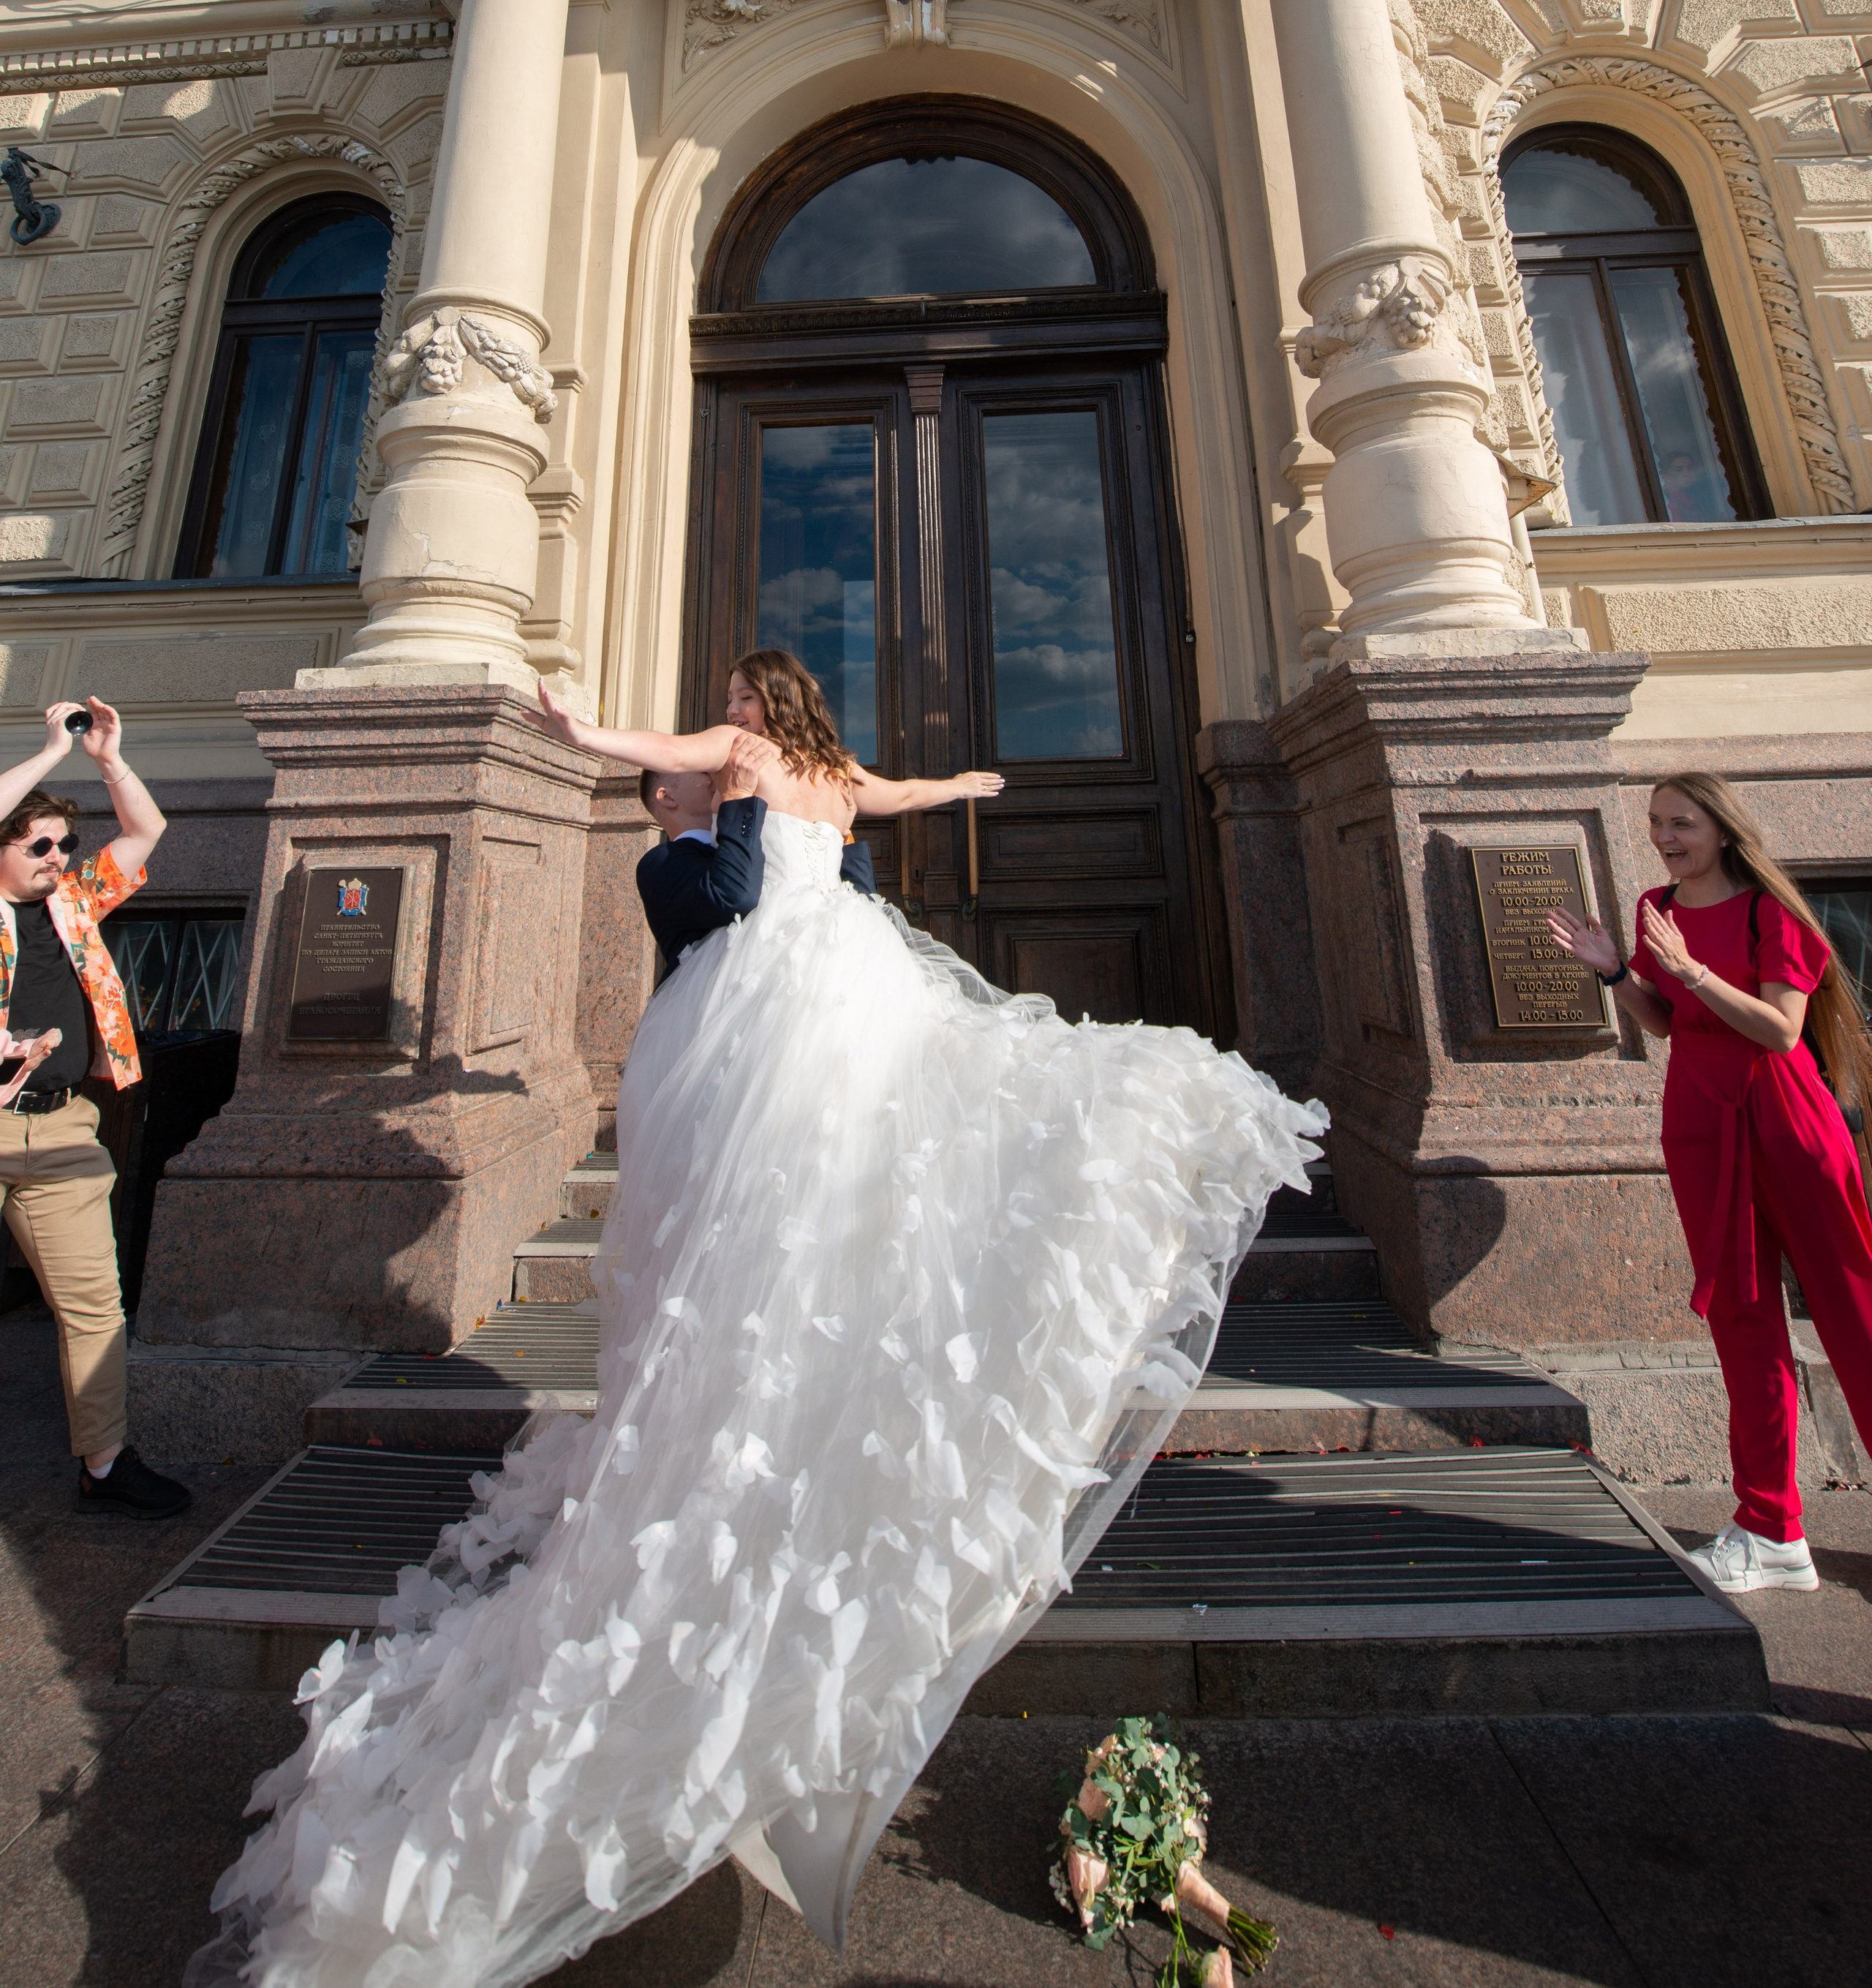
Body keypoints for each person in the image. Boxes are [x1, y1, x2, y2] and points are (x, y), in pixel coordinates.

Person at [188, 647, 1325, 1987]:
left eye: (732, 693)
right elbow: (899, 794)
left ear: (753, 709)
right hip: (850, 988)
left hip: (765, 1006)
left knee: (755, 1208)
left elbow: (641, 752)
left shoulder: (735, 760)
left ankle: (741, 1396)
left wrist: (567, 719)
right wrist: (970, 777)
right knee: (851, 1183)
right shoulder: (838, 777)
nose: (724, 714)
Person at [1548, 769, 1872, 1597]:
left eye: (1681, 822)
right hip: (1698, 1116)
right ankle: (1770, 1530)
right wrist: (1618, 974)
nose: (1664, 836)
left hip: (1785, 1116)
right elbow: (1668, 1024)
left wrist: (1692, 972)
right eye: (1655, 822)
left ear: (1722, 830)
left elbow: (1778, 1027)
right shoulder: (1656, 908)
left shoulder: (1770, 913)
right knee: (1740, 1316)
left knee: (1850, 1307)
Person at [0, 696, 189, 1517]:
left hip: (63, 1128)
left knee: (92, 1305)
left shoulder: (72, 902)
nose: (57, 854)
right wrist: (49, 751)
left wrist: (107, 759)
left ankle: (105, 1467)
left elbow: (146, 833)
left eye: (65, 843)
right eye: (38, 843)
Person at [635, 723, 876, 981]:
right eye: (703, 769)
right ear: (667, 797)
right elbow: (735, 895)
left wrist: (841, 834)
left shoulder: (753, 838)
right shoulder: (659, 864)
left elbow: (865, 912)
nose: (718, 769)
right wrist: (736, 797)